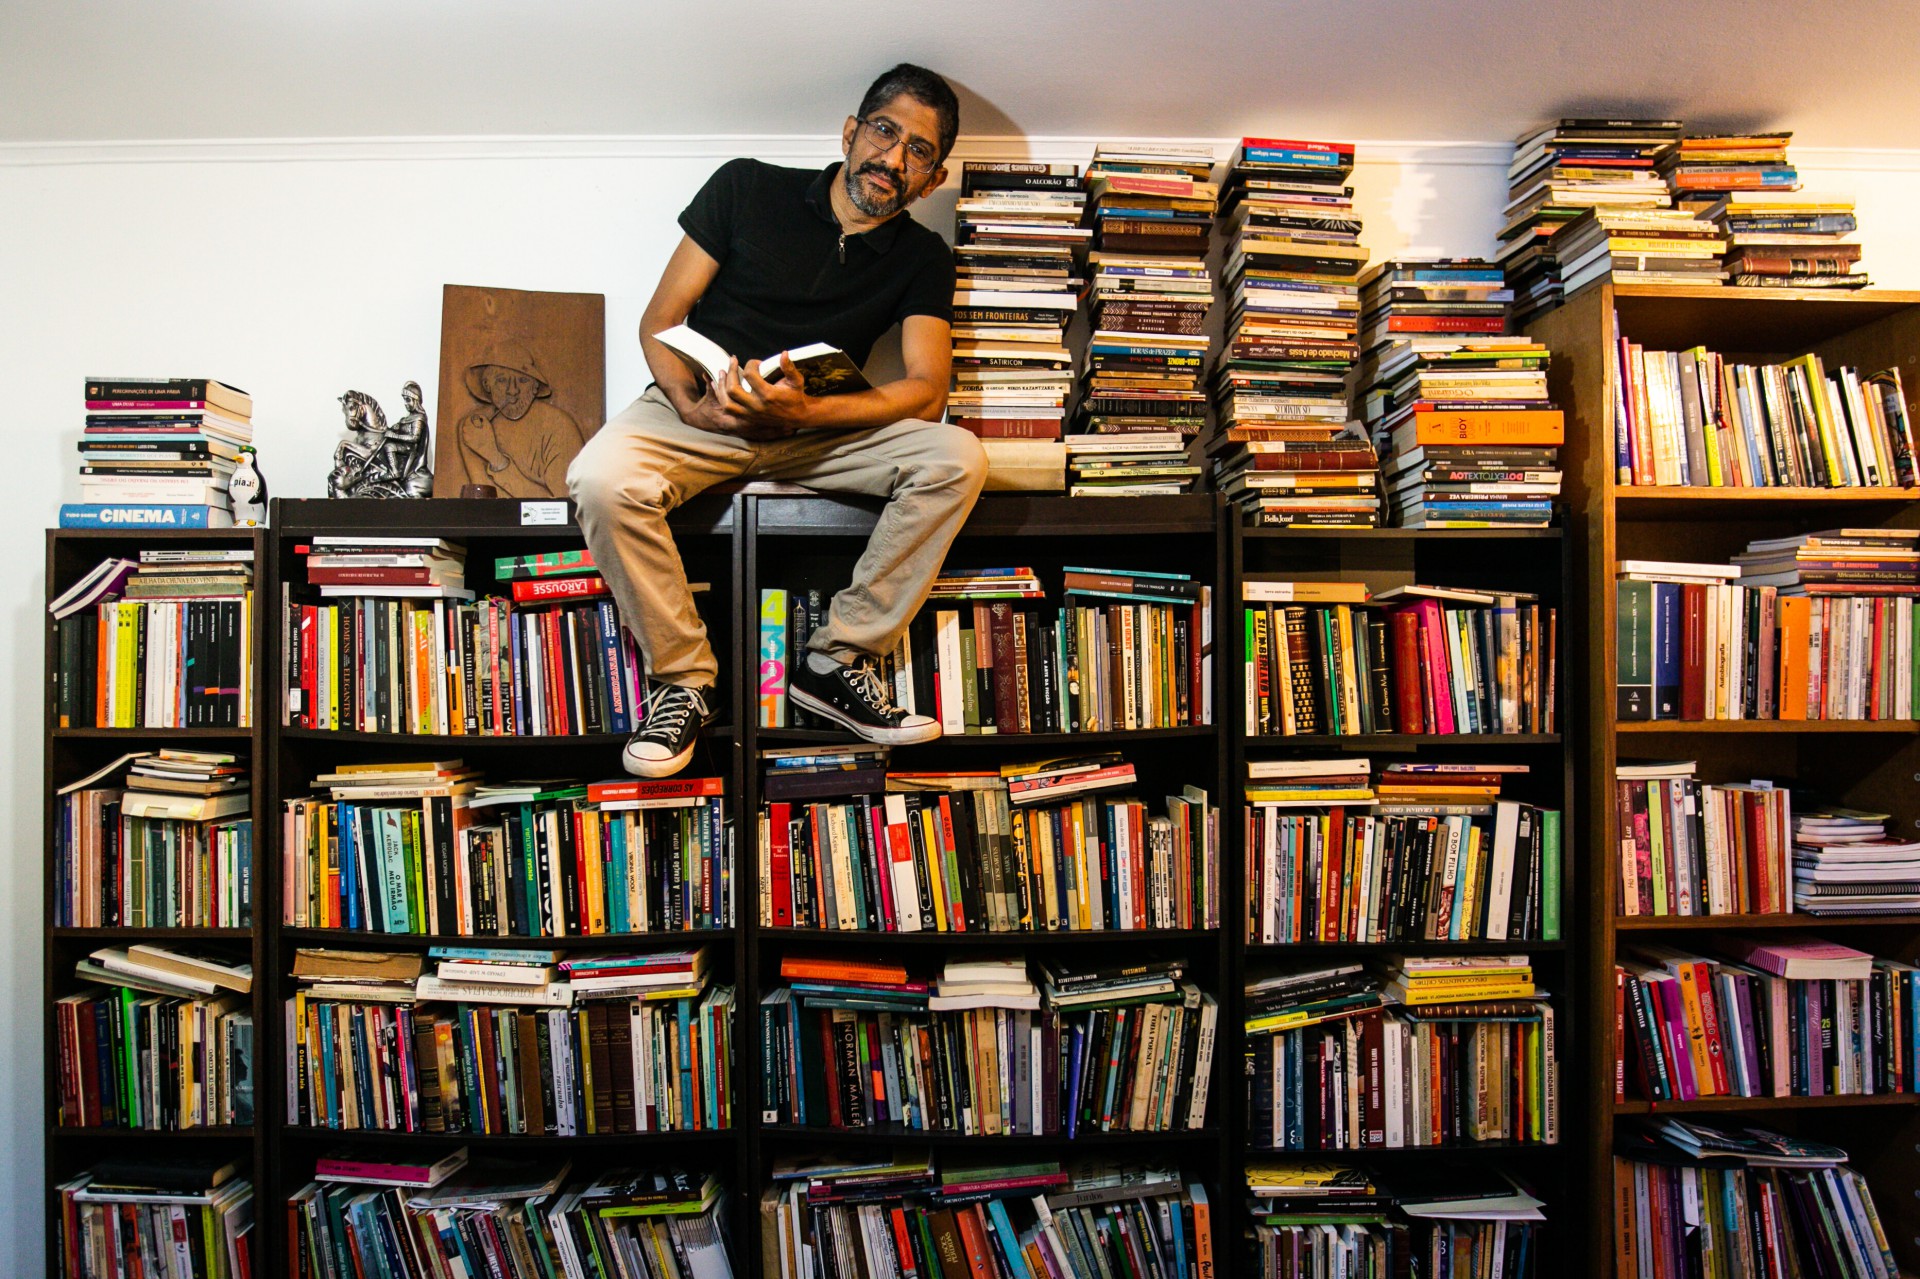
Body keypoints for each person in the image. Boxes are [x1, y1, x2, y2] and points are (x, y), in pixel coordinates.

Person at [569, 63, 985, 778]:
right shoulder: (746, 187)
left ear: (935, 176)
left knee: (957, 457)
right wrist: (692, 403)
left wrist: (810, 411)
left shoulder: (922, 256)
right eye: (884, 132)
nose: (892, 159)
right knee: (600, 479)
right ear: (851, 132)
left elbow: (925, 389)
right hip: (701, 411)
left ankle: (834, 662)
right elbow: (659, 321)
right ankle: (686, 682)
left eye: (918, 151)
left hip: (814, 431)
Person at [459, 341, 587, 498]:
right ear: (487, 385)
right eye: (502, 380)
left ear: (535, 387)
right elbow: (485, 504)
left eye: (523, 380)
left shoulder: (560, 426)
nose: (512, 390)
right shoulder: (475, 427)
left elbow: (562, 508)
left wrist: (496, 458)